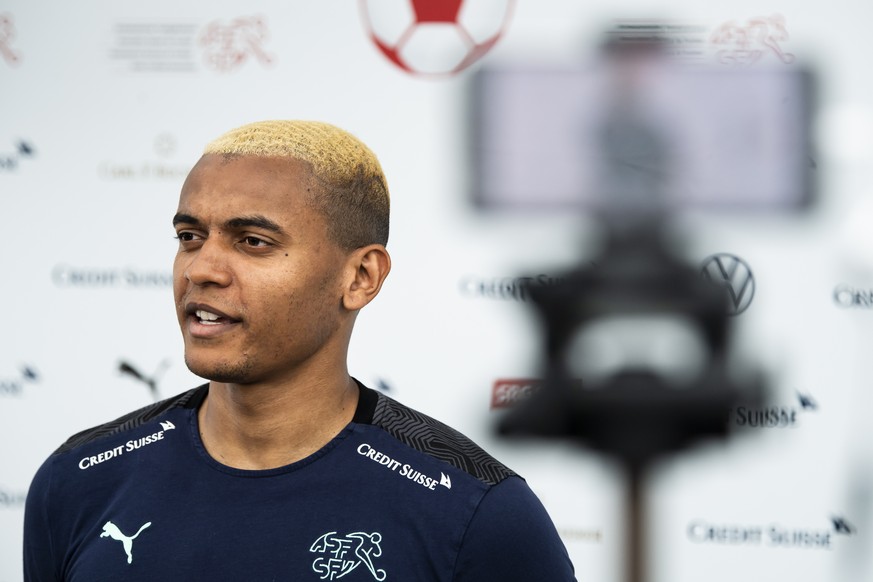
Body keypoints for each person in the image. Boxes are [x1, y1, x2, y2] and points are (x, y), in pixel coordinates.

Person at [23, 120, 577, 581]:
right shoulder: (78, 479)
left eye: (253, 242)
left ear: (360, 276)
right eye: (190, 237)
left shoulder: (477, 512)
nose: (202, 269)